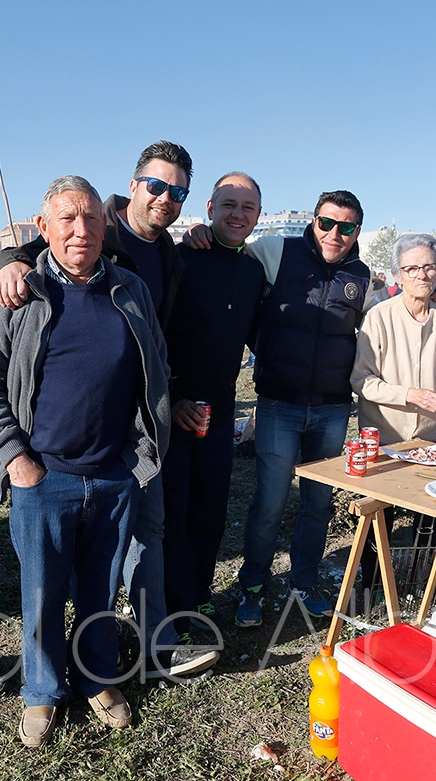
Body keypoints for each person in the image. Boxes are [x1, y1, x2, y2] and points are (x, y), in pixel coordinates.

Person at [0, 141, 207, 680]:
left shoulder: (159, 261)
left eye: (177, 192)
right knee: (44, 587)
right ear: (131, 189)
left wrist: (154, 425)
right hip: (45, 465)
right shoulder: (53, 261)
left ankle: (122, 661)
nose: (165, 197)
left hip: (123, 453)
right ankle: (43, 689)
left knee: (119, 565)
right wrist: (7, 261)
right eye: (156, 185)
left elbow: (155, 353)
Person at [0, 176, 170, 748]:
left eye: (91, 218)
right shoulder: (15, 294)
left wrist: (138, 455)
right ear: (43, 227)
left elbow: (154, 368)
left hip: (114, 474)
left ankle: (97, 676)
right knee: (41, 592)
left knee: (101, 590)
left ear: (106, 225)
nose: (81, 230)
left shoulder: (130, 289)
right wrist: (15, 459)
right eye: (67, 218)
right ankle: (41, 689)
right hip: (42, 477)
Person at [214, 190, 372, 626]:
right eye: (327, 223)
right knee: (270, 502)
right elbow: (229, 250)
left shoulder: (361, 275)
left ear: (356, 231)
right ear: (314, 220)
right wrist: (200, 235)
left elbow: (376, 327)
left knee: (318, 503)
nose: (335, 233)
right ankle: (253, 587)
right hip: (279, 404)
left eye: (346, 227)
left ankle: (305, 581)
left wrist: (432, 297)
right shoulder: (276, 250)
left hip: (332, 410)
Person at [161, 173, 266, 647]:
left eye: (247, 207)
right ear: (209, 207)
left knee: (210, 509)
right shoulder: (181, 258)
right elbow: (151, 334)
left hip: (218, 411)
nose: (237, 214)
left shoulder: (253, 272)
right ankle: (172, 605)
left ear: (258, 215)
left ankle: (200, 592)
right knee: (173, 515)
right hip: (171, 409)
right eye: (228, 204)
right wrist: (171, 398)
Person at [351, 233, 436, 596]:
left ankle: (421, 585)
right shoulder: (379, 318)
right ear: (397, 275)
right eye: (411, 268)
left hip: (431, 441)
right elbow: (361, 380)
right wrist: (409, 395)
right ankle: (373, 587)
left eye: (428, 267)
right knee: (379, 518)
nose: (421, 275)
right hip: (383, 437)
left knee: (430, 518)